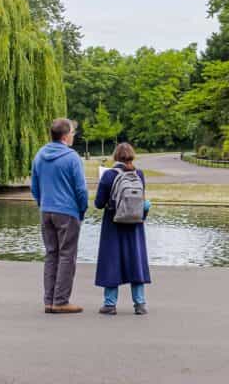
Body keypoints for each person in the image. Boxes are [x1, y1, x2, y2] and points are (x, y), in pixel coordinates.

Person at [31, 118, 89, 314]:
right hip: (67, 211)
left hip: (46, 210)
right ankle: (61, 301)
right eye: (72, 133)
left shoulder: (40, 155)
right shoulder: (72, 157)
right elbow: (81, 190)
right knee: (67, 256)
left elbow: (34, 187)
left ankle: (49, 301)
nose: (73, 136)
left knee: (51, 255)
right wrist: (82, 210)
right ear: (65, 136)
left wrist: (42, 203)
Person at [94, 142, 151, 315]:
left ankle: (110, 304)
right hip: (135, 224)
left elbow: (98, 204)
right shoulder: (138, 174)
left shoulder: (109, 175)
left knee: (112, 260)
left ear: (115, 156)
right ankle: (140, 304)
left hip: (113, 223)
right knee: (136, 260)